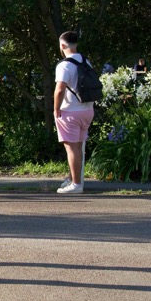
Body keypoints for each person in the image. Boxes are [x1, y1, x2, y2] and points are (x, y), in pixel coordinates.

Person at [53, 31, 94, 194]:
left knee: (71, 148)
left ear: (62, 45)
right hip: (87, 110)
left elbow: (59, 90)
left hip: (70, 111)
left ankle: (76, 184)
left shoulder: (64, 65)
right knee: (78, 147)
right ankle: (73, 179)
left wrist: (56, 109)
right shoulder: (85, 61)